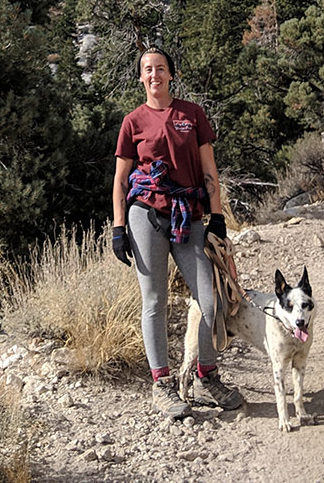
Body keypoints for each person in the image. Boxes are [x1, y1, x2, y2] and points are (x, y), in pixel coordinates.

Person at [111, 46, 243, 418]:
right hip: (146, 214)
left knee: (210, 299)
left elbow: (208, 169)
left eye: (161, 68)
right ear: (141, 78)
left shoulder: (192, 114)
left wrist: (217, 217)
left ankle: (205, 374)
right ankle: (162, 385)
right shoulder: (132, 122)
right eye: (147, 70)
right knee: (153, 302)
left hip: (190, 215)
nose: (154, 75)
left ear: (172, 74)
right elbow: (121, 181)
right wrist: (119, 227)